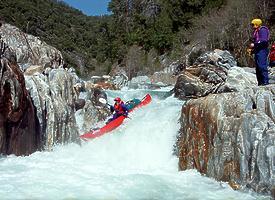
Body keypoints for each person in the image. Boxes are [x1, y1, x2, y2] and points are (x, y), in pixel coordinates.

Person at [250, 18, 270, 86]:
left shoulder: (263, 30)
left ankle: (265, 81)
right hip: (257, 50)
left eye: (253, 25)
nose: (252, 26)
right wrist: (252, 49)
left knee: (262, 66)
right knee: (258, 67)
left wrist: (254, 44)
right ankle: (260, 82)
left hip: (262, 50)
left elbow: (264, 40)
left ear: (257, 24)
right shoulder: (256, 31)